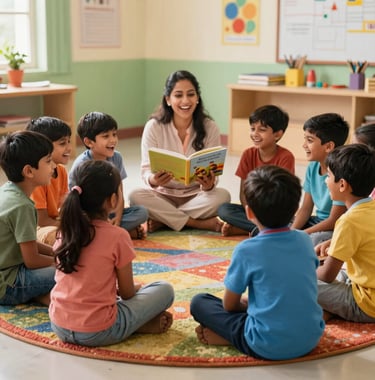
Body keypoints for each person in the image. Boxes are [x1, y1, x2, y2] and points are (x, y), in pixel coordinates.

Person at [190, 165, 324, 360]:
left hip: (266, 344)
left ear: (249, 212)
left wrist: (249, 305)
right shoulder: (305, 240)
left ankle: (232, 338)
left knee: (199, 302)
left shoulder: (247, 250)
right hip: (311, 337)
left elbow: (229, 305)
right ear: (295, 208)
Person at [50, 160, 174, 347]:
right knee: (165, 289)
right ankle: (137, 325)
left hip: (59, 325)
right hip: (99, 331)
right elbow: (127, 294)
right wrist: (136, 289)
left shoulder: (65, 230)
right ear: (113, 200)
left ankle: (134, 324)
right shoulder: (118, 236)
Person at [128, 70, 230, 232]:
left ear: (197, 98)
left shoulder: (210, 127)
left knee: (223, 196)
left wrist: (209, 185)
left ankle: (165, 221)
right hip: (163, 195)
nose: (185, 101)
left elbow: (214, 175)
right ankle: (196, 223)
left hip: (196, 195)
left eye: (191, 94)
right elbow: (146, 171)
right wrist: (154, 179)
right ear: (168, 99)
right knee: (135, 195)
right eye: (178, 95)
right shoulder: (154, 127)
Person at [316, 144, 375, 323]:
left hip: (366, 304)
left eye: (329, 176)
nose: (326, 181)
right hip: (367, 286)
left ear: (342, 184)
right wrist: (334, 242)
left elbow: (327, 275)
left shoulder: (348, 220)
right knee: (342, 272)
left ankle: (329, 310)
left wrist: (303, 269)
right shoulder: (370, 207)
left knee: (295, 280)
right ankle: (329, 309)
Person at [218, 104, 295, 237]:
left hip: (275, 210)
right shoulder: (248, 154)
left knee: (291, 220)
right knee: (224, 210)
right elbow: (243, 192)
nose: (255, 134)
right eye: (253, 129)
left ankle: (249, 229)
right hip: (252, 210)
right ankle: (261, 229)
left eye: (262, 130)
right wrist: (252, 213)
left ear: (277, 134)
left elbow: (284, 197)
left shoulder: (286, 157)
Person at [68, 111, 148, 239]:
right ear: (89, 142)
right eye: (106, 136)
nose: (113, 140)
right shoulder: (82, 165)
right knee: (79, 226)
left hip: (109, 211)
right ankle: (117, 232)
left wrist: (119, 214)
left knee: (142, 213)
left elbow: (119, 190)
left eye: (114, 134)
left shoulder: (116, 158)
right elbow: (77, 202)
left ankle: (107, 231)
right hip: (88, 214)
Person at [0, 131, 56, 306]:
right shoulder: (22, 206)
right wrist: (62, 262)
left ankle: (41, 295)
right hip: (8, 284)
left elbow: (27, 243)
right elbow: (32, 261)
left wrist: (55, 252)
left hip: (8, 272)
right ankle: (40, 295)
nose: (54, 166)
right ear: (29, 171)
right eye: (48, 161)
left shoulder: (8, 190)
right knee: (75, 271)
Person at [291, 113, 349, 246]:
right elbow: (305, 209)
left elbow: (334, 220)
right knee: (276, 227)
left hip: (334, 227)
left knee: (314, 240)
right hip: (316, 221)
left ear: (328, 146)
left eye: (309, 140)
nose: (304, 145)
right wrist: (292, 231)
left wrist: (302, 233)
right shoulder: (313, 166)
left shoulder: (340, 172)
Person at [26, 117, 72, 246]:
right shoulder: (36, 176)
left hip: (54, 221)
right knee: (56, 236)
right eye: (62, 143)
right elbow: (41, 221)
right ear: (43, 146)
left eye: (69, 141)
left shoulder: (61, 170)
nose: (69, 148)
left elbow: (64, 207)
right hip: (38, 229)